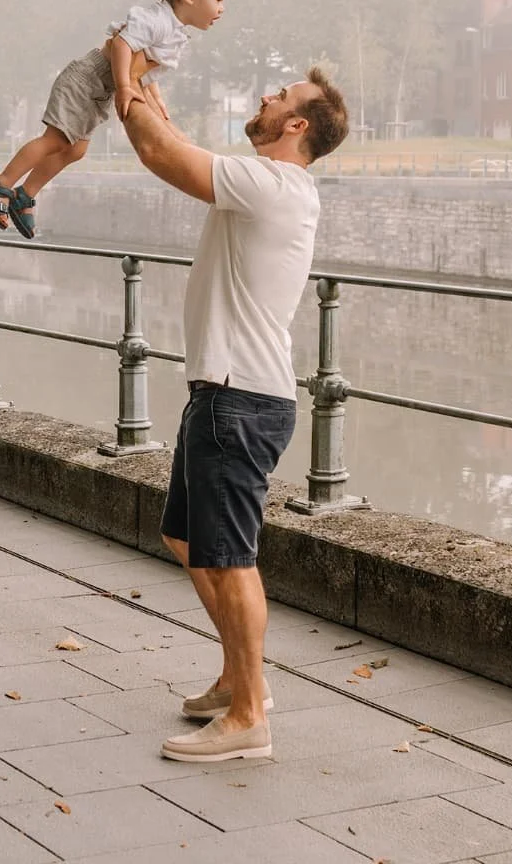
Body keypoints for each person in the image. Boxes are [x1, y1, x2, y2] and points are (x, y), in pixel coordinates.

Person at [119, 66, 349, 761]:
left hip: (239, 397)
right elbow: (182, 146)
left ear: (297, 126)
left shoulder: (273, 186)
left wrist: (118, 78)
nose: (265, 99)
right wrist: (150, 100)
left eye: (279, 98)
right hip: (223, 392)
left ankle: (249, 716)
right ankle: (238, 679)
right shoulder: (262, 185)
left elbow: (162, 155)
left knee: (230, 555)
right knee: (187, 538)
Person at [0, 0, 232, 239]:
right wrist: (125, 87)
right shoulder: (156, 20)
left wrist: (156, 100)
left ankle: (25, 193)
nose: (222, 9)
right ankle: (1, 182)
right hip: (88, 79)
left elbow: (145, 67)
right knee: (55, 139)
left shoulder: (175, 32)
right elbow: (123, 44)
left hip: (100, 90)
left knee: (76, 149)